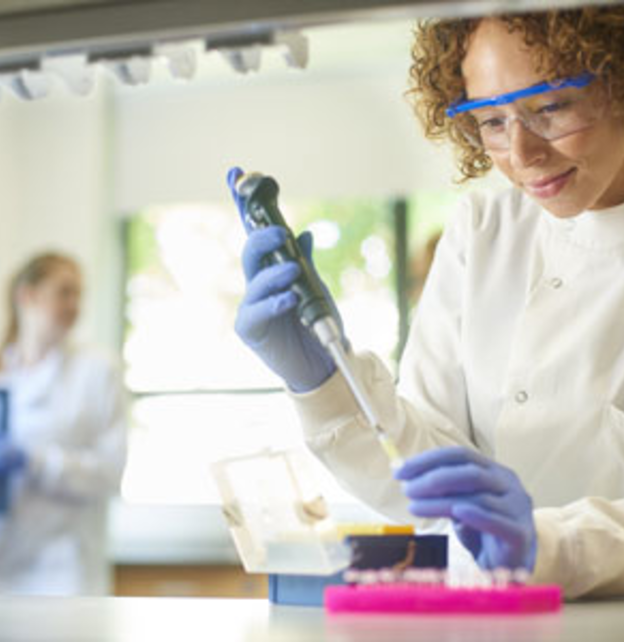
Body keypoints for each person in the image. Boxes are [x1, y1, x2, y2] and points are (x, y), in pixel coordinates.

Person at [229, 5, 624, 599]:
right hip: (488, 620)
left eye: (551, 108)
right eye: (490, 121)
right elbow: (424, 469)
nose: (521, 154)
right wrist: (322, 384)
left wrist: (555, 545)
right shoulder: (483, 230)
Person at [0, 252, 127, 595]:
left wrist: (34, 461)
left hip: (63, 571)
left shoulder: (96, 371)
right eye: (65, 292)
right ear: (27, 295)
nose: (75, 304)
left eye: (79, 294)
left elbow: (110, 472)